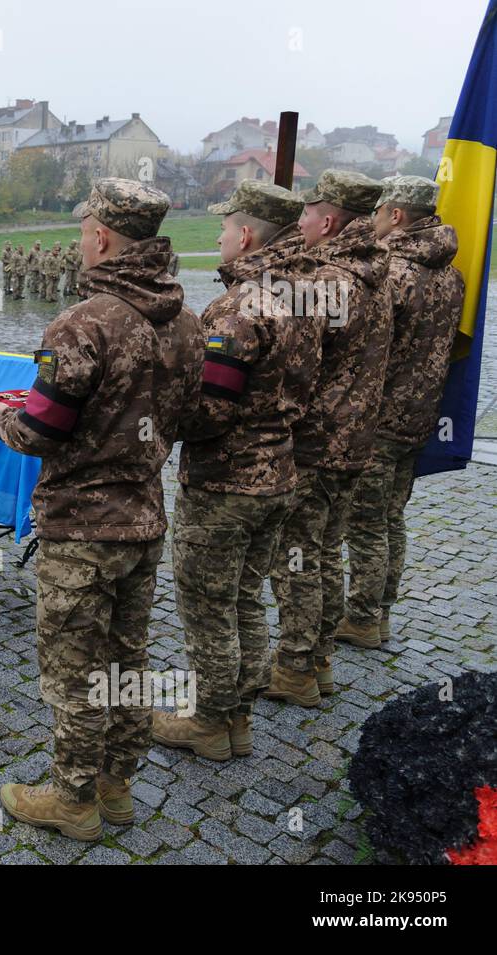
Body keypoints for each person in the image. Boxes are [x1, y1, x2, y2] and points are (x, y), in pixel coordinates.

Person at [0, 179, 202, 840]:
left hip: (83, 528)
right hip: (143, 519)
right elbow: (191, 416)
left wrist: (3, 418)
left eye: (85, 230)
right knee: (126, 658)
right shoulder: (188, 322)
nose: (82, 240)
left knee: (75, 670)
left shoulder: (83, 324)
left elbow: (42, 431)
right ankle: (117, 784)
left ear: (103, 237)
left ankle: (73, 797)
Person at [152, 181, 309, 761]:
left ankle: (210, 724)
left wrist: (160, 414)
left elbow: (212, 411)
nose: (217, 237)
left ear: (245, 236)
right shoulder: (299, 297)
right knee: (246, 600)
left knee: (210, 606)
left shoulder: (237, 308)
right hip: (278, 476)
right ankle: (237, 719)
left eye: (223, 228)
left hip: (226, 484)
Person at [264, 169, 392, 706]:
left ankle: (294, 667)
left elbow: (294, 370)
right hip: (356, 441)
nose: (301, 221)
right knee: (322, 553)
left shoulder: (325, 285)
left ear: (331, 219)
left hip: (315, 444)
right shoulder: (375, 273)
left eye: (308, 213)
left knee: (295, 558)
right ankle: (318, 659)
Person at [338, 176, 465, 650]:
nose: (371, 221)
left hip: (377, 415)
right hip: (418, 414)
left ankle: (364, 618)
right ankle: (380, 614)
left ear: (395, 216)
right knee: (391, 517)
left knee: (366, 522)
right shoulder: (452, 275)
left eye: (376, 212)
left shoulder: (392, 271)